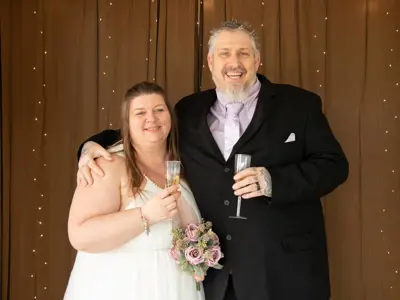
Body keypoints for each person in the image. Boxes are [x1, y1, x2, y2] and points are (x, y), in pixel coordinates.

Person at [76, 21, 349, 300]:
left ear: (257, 59)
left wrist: (272, 181)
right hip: (215, 275)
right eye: (224, 53)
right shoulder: (189, 110)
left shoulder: (299, 105)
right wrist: (89, 147)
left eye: (244, 53)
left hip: (283, 270)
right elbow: (142, 131)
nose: (235, 62)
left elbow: (334, 165)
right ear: (210, 61)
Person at [64, 82, 205, 300]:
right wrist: (146, 215)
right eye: (140, 112)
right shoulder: (106, 165)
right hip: (125, 287)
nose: (152, 118)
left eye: (159, 110)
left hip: (177, 289)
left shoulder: (183, 166)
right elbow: (80, 235)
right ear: (127, 122)